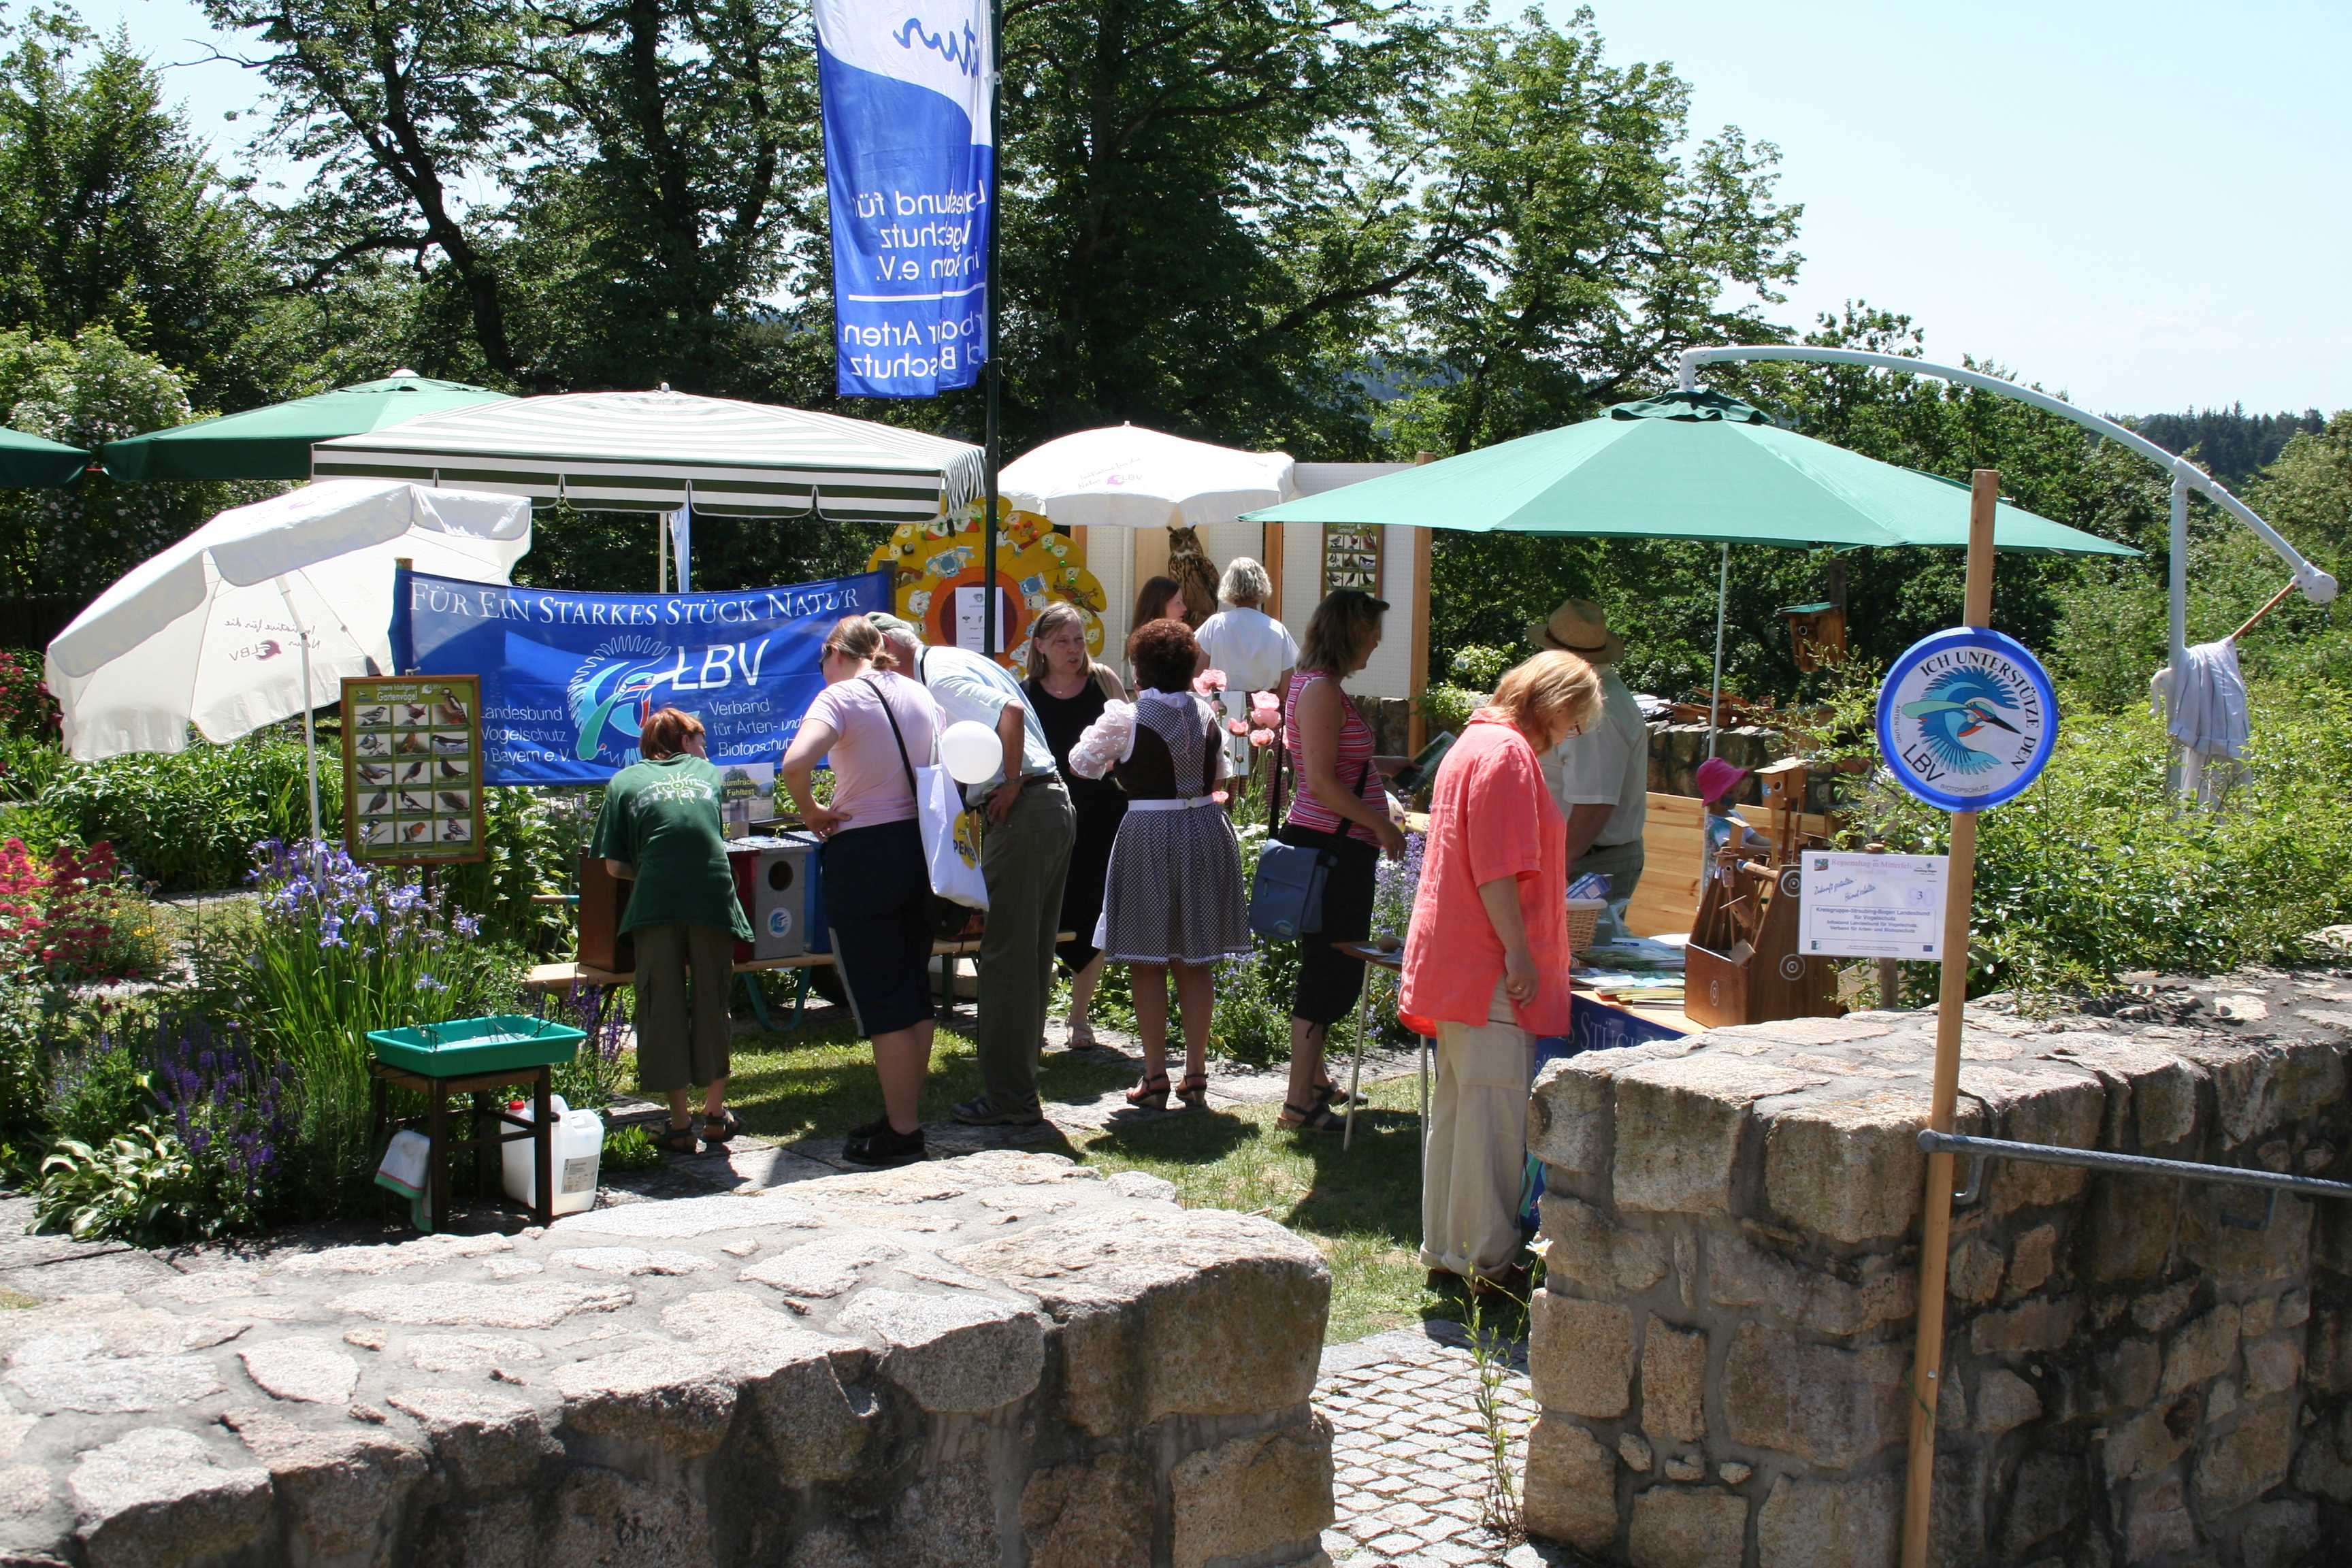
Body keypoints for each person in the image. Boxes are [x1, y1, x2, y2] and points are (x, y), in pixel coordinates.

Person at [1401, 651, 1603, 1296]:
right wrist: (1520, 954)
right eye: (1573, 723)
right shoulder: (1509, 754)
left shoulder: (1474, 740)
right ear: (1554, 702)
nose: (1566, 738)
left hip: (1457, 959)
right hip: (1487, 964)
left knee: (1460, 1111)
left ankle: (1448, 1250)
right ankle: (1489, 1263)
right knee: (1492, 1117)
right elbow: (1497, 870)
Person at [869, 612, 1075, 1127]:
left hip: (1024, 807)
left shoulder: (938, 675)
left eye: (879, 666)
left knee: (1007, 963)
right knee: (1028, 959)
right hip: (1047, 805)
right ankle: (1019, 1090)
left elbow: (1008, 711)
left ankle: (1011, 1099)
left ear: (892, 651)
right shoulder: (958, 660)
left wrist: (1008, 780)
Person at [777, 617, 944, 1166]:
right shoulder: (919, 694)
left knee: (880, 996)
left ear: (834, 653)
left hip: (863, 853)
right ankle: (905, 1114)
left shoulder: (840, 697)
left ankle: (903, 1129)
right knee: (913, 989)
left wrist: (812, 811)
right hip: (919, 849)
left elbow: (795, 763)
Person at [1070, 618, 1251, 1108]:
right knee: (1195, 961)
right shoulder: (1206, 714)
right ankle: (1195, 1072)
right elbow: (1220, 774)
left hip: (1149, 830)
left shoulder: (1127, 717)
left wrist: (1119, 764)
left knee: (1148, 961)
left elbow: (1081, 763)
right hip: (1204, 830)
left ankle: (1154, 1077)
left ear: (1140, 668)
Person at [589, 707, 752, 1155]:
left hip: (656, 905)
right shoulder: (712, 773)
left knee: (660, 1004)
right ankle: (716, 1117)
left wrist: (656, 870)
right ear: (685, 743)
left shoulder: (624, 783)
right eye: (701, 741)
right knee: (712, 999)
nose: (705, 750)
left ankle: (680, 1125)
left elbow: (614, 865)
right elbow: (739, 830)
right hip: (712, 901)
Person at [1276, 588, 1405, 1133]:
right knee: (1330, 969)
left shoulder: (1308, 684)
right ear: (1350, 632)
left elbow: (1326, 762)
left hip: (1328, 844)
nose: (1376, 642)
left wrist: (1381, 767)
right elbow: (1324, 783)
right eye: (1371, 632)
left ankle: (1317, 1081)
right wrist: (1379, 823)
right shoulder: (1322, 691)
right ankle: (1298, 1104)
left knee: (1328, 963)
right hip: (1332, 848)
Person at [1022, 602, 1128, 1049]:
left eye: (1079, 639)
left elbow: (1132, 737)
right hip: (1045, 817)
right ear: (1041, 646)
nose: (1073, 649)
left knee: (1093, 913)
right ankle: (1034, 1014)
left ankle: (1080, 1018)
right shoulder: (1025, 693)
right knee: (1040, 914)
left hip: (1103, 814)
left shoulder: (1103, 683)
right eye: (1062, 641)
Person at [1529, 598, 1649, 934]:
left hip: (1588, 860)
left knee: (1581, 972)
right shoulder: (1588, 697)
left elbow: (1595, 803)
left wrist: (1558, 865)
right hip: (1585, 857)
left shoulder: (1594, 708)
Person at [1195, 556, 1297, 773]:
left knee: (1225, 775)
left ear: (1228, 587)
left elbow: (1196, 673)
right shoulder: (1276, 629)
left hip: (1221, 707)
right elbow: (1289, 685)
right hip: (1265, 710)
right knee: (1262, 780)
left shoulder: (1216, 624)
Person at [1697, 756, 1764, 886]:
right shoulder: (1715, 825)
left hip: (1737, 880)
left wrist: (1777, 847)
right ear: (1716, 796)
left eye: (1737, 790)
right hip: (1719, 887)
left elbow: (1755, 839)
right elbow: (1733, 849)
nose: (1736, 795)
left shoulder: (1736, 815)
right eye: (1730, 792)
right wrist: (1769, 849)